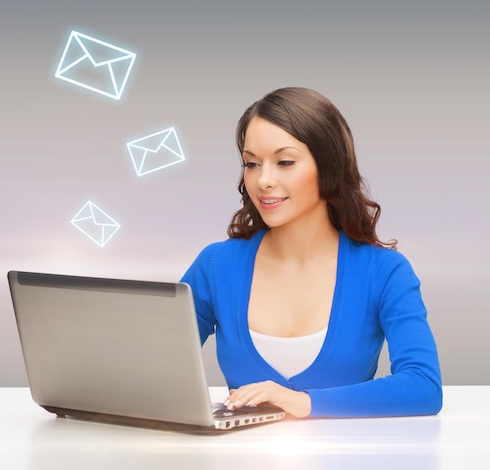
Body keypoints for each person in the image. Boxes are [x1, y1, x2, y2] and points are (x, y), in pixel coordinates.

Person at [180, 87, 442, 418]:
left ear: (329, 167)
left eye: (285, 162)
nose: (263, 180)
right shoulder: (215, 265)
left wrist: (304, 403)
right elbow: (152, 366)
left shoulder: (385, 271)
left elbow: (423, 386)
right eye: (251, 163)